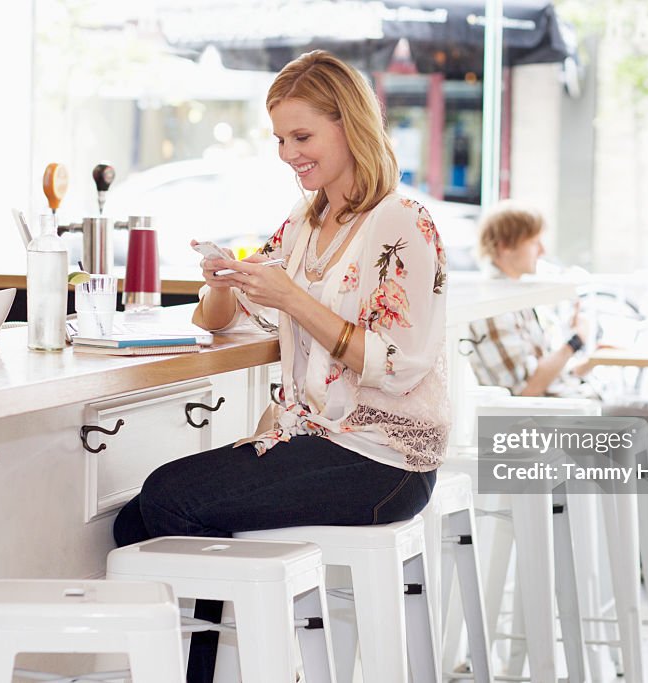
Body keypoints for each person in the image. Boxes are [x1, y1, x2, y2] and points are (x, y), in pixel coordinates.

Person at [113, 50, 450, 681]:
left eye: (302, 135)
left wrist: (293, 297)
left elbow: (397, 364)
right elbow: (224, 318)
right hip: (318, 440)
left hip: (385, 458)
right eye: (279, 138)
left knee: (168, 501)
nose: (287, 152)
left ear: (350, 125)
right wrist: (219, 281)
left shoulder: (401, 221)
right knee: (139, 519)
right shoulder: (306, 219)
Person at [465, 201, 648, 584]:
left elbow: (539, 377)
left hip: (564, 404)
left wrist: (582, 362)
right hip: (544, 423)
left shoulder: (514, 295)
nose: (541, 251)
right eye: (534, 242)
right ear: (506, 245)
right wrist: (576, 341)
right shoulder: (494, 305)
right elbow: (526, 391)